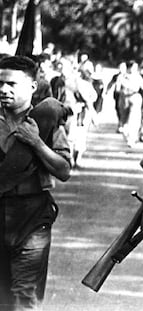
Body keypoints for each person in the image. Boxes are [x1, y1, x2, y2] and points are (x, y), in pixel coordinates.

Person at [0, 56, 71, 310]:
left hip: (32, 216)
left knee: (24, 297)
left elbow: (64, 170)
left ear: (32, 86)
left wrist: (36, 142)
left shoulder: (45, 121)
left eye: (11, 84)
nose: (3, 89)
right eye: (0, 83)